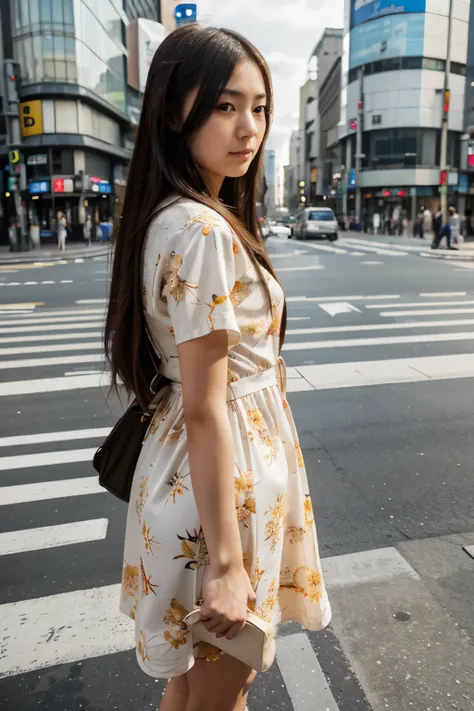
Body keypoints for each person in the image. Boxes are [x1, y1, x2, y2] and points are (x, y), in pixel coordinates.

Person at [104, 26, 331, 711]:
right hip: (222, 499)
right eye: (227, 105)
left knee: (192, 688)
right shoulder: (202, 231)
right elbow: (207, 404)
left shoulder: (171, 216)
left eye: (260, 108)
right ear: (176, 109)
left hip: (190, 479)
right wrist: (229, 567)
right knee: (222, 693)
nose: (249, 127)